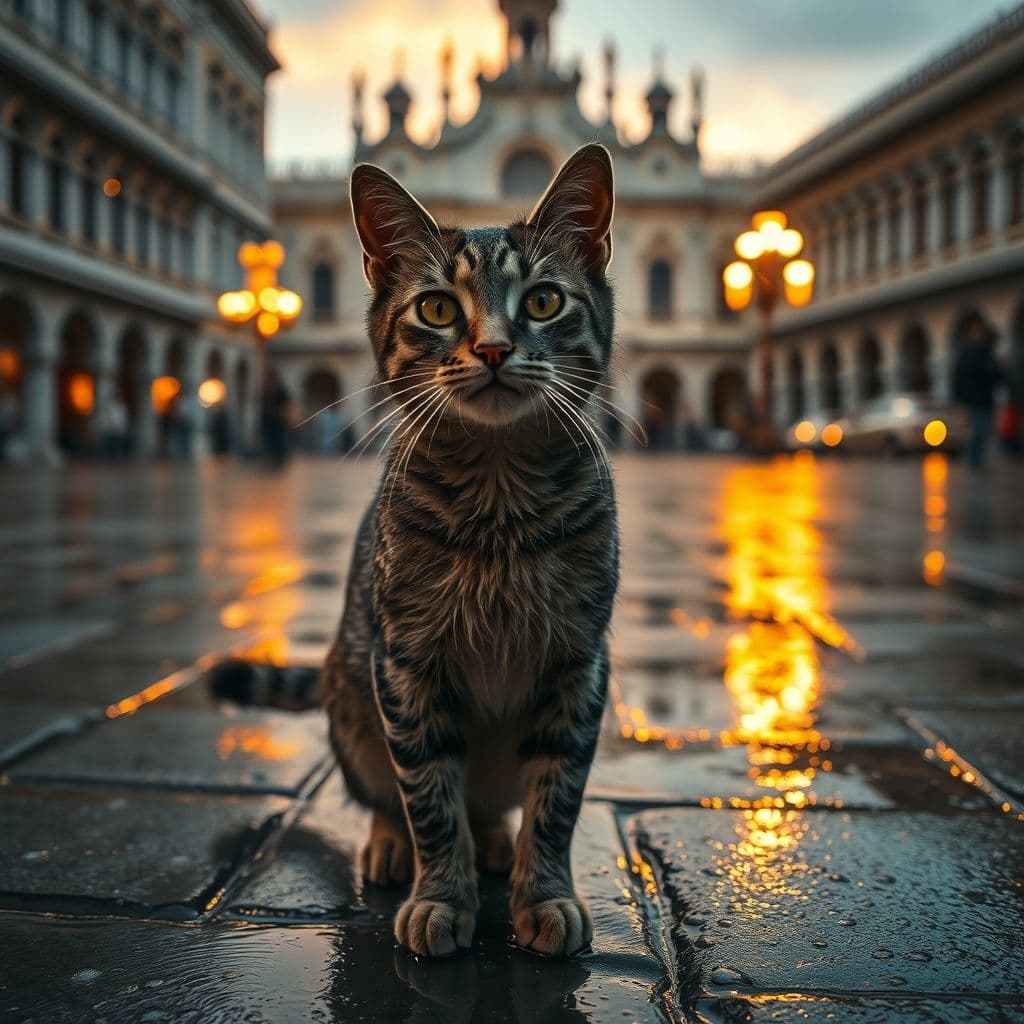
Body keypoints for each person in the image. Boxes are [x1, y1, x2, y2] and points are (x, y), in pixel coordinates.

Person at [952, 320, 1003, 470]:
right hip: (974, 401)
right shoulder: (971, 353)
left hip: (983, 400)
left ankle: (977, 461)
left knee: (982, 432)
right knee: (978, 432)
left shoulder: (986, 353)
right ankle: (974, 462)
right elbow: (960, 378)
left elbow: (996, 377)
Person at [260, 369, 292, 468]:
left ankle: (279, 460)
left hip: (278, 422)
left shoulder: (281, 391)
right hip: (267, 422)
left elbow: (286, 406)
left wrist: (284, 416)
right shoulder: (266, 392)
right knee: (269, 441)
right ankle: (270, 460)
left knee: (279, 441)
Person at [98, 394, 129, 459]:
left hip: (117, 429)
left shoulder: (121, 406)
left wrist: (123, 428)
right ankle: (110, 459)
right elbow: (106, 418)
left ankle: (116, 459)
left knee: (116, 446)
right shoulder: (109, 407)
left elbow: (123, 418)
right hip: (110, 429)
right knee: (110, 447)